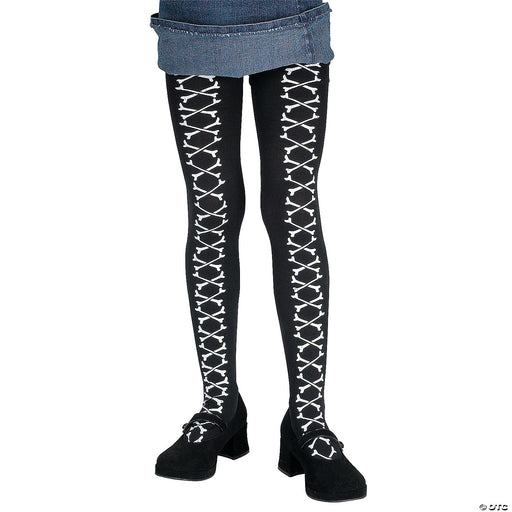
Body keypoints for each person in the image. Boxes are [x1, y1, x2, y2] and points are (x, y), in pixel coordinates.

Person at [149, 0, 366, 502]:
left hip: (292, 17)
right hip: (196, 20)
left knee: (294, 214)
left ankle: (308, 419)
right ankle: (220, 407)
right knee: (212, 213)